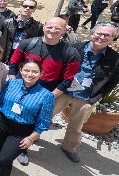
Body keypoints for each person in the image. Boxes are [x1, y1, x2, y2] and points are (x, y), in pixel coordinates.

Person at [8, 17, 81, 165]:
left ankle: (22, 149)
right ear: (44, 26)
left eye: (57, 28)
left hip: (45, 92)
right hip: (20, 88)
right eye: (50, 27)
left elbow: (67, 80)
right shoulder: (28, 43)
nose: (52, 31)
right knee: (11, 116)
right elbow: (13, 63)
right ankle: (4, 142)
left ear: (64, 30)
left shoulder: (70, 52)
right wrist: (12, 84)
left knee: (30, 122)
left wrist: (49, 97)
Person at [0, 60, 55, 176]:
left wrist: (31, 138)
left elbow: (43, 122)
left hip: (22, 130)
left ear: (41, 74)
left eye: (35, 72)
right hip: (2, 122)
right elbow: (0, 101)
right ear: (21, 70)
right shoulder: (12, 83)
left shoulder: (46, 95)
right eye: (26, 70)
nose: (30, 74)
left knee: (5, 158)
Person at [53, 22, 119, 162]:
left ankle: (69, 147)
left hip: (86, 96)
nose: (101, 37)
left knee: (77, 125)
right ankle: (33, 136)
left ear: (113, 37)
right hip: (63, 90)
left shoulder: (115, 59)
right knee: (45, 114)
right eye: (99, 33)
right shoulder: (75, 47)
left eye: (107, 35)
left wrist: (98, 96)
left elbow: (113, 81)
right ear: (92, 33)